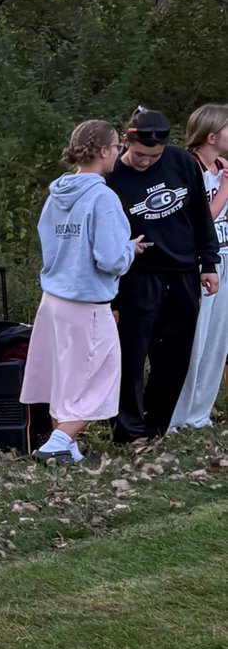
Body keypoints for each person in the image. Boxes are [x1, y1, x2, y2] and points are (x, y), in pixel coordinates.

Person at [21, 121, 147, 465]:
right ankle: (57, 441)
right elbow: (108, 258)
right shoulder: (103, 197)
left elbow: (51, 241)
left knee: (65, 375)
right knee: (101, 377)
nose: (119, 154)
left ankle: (66, 445)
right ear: (105, 151)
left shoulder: (57, 194)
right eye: (117, 149)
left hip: (54, 298)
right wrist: (129, 251)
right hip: (86, 302)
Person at [105, 107, 219, 442]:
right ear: (128, 140)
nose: (145, 162)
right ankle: (127, 429)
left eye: (153, 157)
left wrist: (208, 262)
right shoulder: (112, 177)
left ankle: (156, 425)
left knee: (175, 355)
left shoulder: (180, 162)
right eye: (140, 155)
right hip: (138, 276)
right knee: (132, 354)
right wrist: (112, 296)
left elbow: (200, 213)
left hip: (183, 271)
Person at [168, 103, 228, 430]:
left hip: (224, 256)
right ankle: (177, 414)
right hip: (197, 263)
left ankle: (199, 414)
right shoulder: (186, 165)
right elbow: (200, 218)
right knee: (196, 337)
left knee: (218, 338)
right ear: (212, 135)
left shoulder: (222, 167)